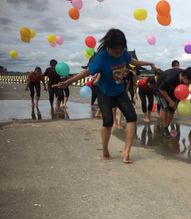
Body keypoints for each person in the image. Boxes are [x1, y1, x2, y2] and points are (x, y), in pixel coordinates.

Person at [54, 28, 157, 163]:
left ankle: (126, 152)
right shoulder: (101, 58)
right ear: (108, 47)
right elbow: (86, 73)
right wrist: (67, 82)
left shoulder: (123, 53)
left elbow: (133, 61)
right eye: (115, 50)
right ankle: (105, 150)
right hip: (104, 93)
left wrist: (149, 63)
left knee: (132, 118)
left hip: (120, 91)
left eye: (121, 49)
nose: (118, 53)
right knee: (107, 122)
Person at [157, 67, 191, 138]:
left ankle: (166, 126)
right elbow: (162, 89)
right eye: (189, 82)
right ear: (185, 77)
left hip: (173, 90)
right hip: (161, 90)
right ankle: (165, 129)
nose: (189, 84)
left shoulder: (184, 78)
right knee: (165, 107)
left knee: (172, 110)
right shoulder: (171, 77)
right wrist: (170, 101)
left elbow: (182, 91)